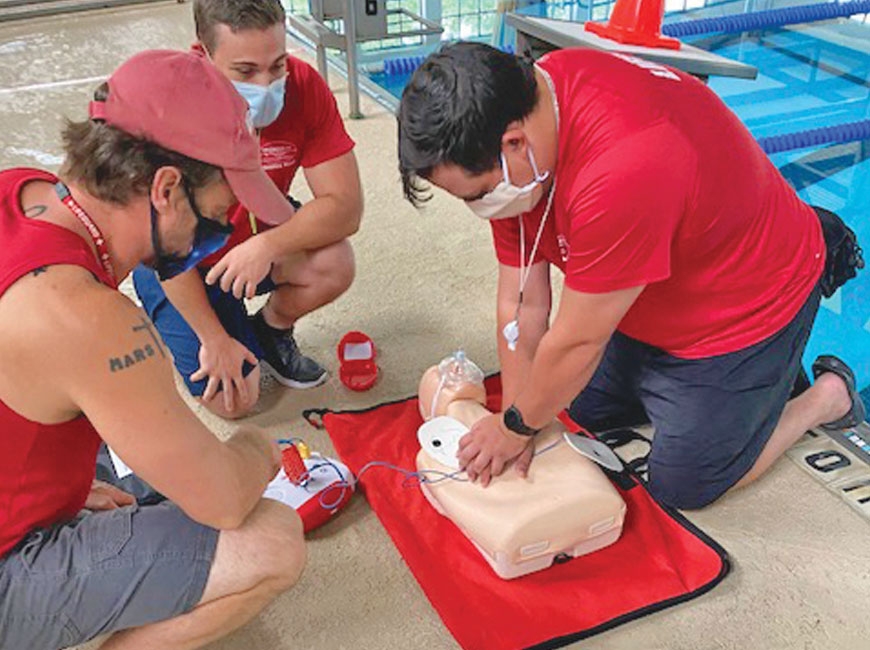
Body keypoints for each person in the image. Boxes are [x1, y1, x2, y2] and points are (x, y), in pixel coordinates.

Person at [396, 42, 866, 509]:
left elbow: (578, 344)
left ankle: (824, 398)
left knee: (686, 482)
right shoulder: (522, 111)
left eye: (476, 194)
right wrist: (518, 419)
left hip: (747, 304)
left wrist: (515, 426)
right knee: (568, 407)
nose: (479, 207)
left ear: (514, 144)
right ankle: (738, 397)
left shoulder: (622, 164)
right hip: (648, 291)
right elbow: (522, 304)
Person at [0, 50, 306, 650]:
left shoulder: (20, 190)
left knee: (124, 472)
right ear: (166, 188)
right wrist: (259, 447)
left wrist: (57, 488)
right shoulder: (88, 317)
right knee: (271, 539)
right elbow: (220, 499)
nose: (217, 237)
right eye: (218, 217)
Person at [132, 0, 363, 419]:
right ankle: (185, 324)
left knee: (334, 261)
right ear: (202, 55)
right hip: (182, 262)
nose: (268, 83)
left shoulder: (305, 86)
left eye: (277, 65)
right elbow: (162, 248)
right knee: (234, 403)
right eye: (245, 71)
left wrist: (267, 246)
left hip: (257, 240)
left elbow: (346, 208)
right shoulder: (167, 110)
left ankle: (270, 332)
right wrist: (212, 338)